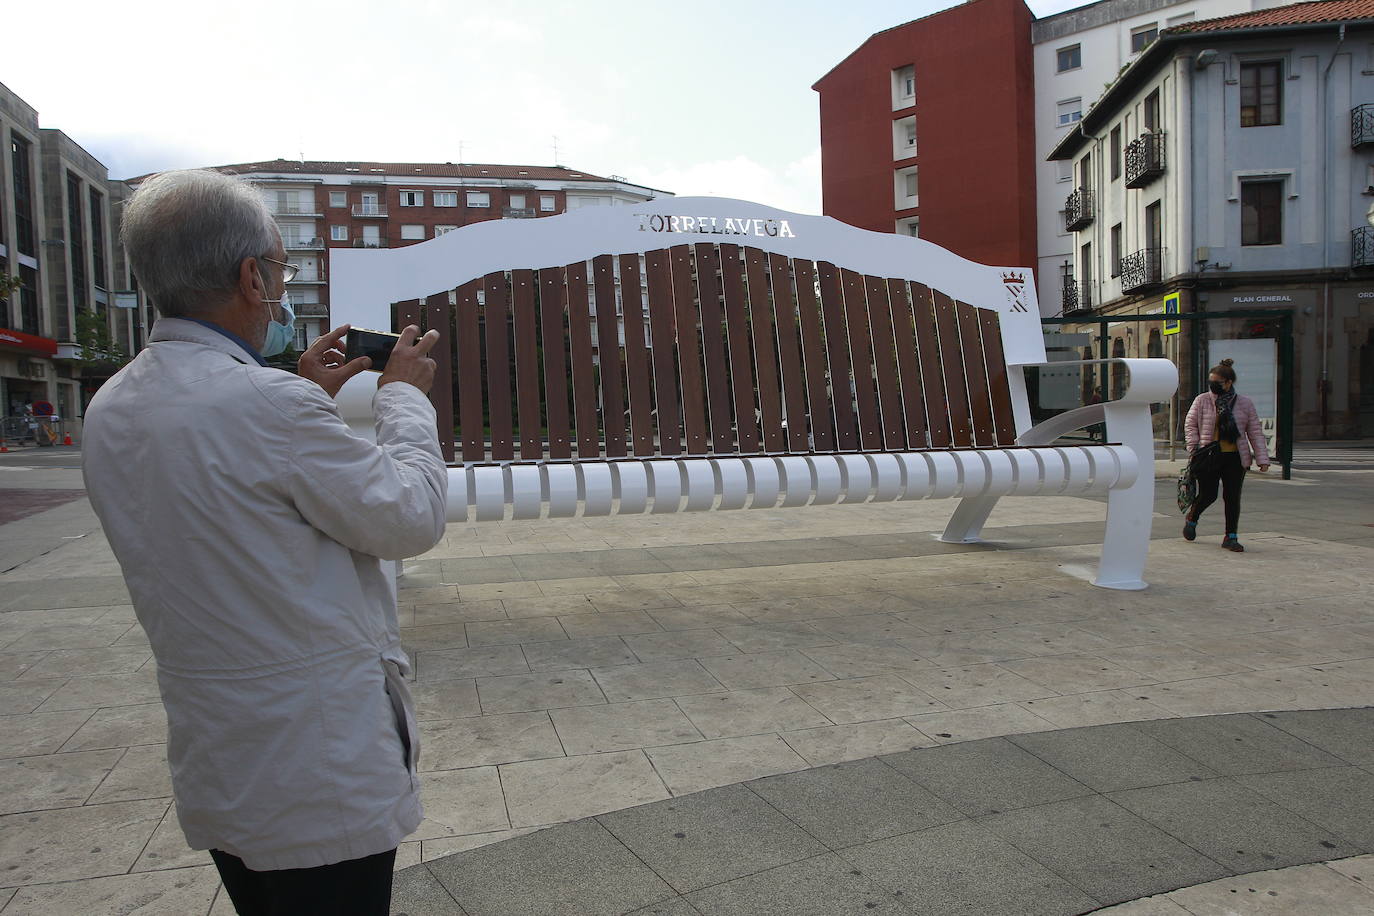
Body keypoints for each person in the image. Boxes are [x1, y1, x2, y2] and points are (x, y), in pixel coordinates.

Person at [81, 169, 447, 915]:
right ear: (252, 277)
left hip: (222, 752)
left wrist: (302, 394)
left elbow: (235, 503)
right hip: (318, 769)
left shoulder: (112, 403)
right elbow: (410, 515)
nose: (280, 287)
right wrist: (402, 395)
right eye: (279, 269)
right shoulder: (267, 404)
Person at [1183, 358, 1269, 552]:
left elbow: (1254, 430)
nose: (1213, 386)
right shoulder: (1202, 399)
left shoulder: (1244, 403)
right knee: (1208, 494)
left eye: (1217, 382)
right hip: (1209, 454)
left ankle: (1231, 536)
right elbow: (1190, 424)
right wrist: (1193, 447)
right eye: (1211, 382)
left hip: (1235, 457)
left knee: (1232, 497)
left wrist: (1262, 459)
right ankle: (1192, 517)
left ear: (1229, 383)